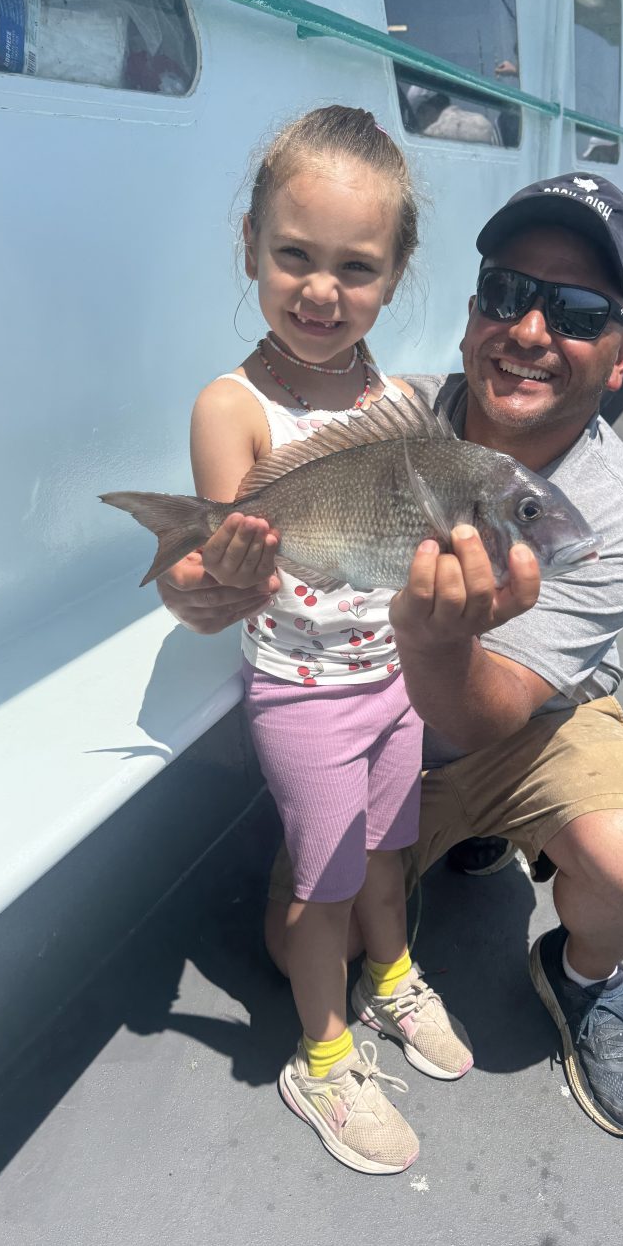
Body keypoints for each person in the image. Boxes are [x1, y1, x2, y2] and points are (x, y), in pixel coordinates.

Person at [160, 172, 623, 1144]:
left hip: (525, 728)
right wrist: (204, 591)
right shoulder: (403, 410)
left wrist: (434, 635)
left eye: (575, 311)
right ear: (470, 312)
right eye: (505, 293)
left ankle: (581, 976)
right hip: (366, 716)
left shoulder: (607, 514)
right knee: (294, 946)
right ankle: (414, 924)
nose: (528, 329)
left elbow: (483, 713)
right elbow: (261, 555)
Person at [187, 105, 475, 1178]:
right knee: (321, 888)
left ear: (394, 277)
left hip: (391, 681)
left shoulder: (401, 401)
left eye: (355, 267)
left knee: (388, 858)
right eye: (294, 256)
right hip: (303, 695)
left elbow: (423, 536)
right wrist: (218, 567)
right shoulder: (234, 405)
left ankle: (392, 979)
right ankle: (321, 1052)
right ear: (251, 249)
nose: (322, 289)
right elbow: (235, 553)